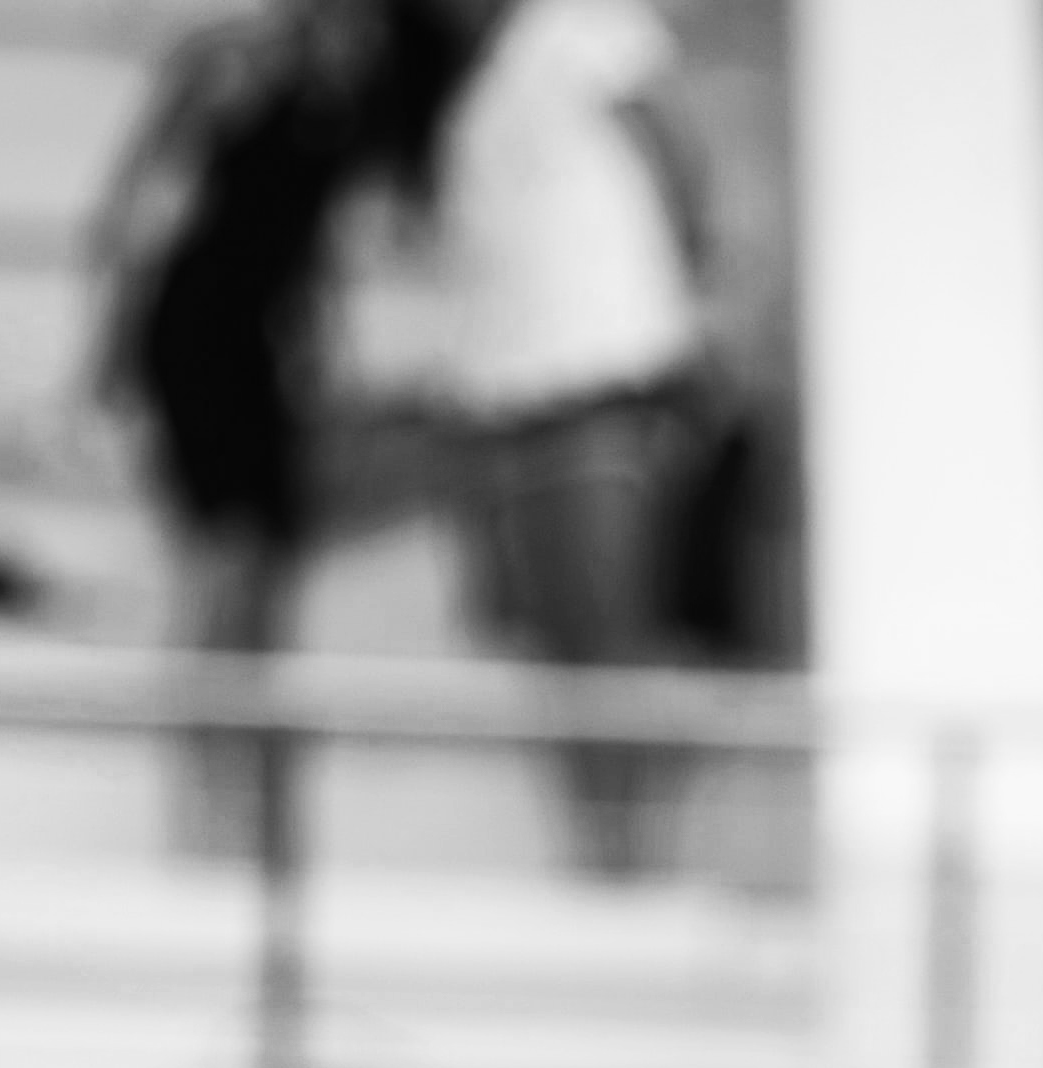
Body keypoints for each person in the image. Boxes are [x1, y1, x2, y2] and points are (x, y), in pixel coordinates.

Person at [374, 0, 716, 875]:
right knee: (558, 652)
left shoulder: (581, 26)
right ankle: (599, 854)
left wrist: (698, 297)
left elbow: (676, 145)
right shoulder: (461, 89)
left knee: (609, 637)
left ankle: (633, 859)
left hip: (606, 381)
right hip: (508, 400)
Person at [92, 0, 366, 859]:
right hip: (201, 333)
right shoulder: (223, 58)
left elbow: (316, 240)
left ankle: (251, 813)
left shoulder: (351, 72)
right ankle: (205, 811)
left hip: (264, 347)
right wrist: (107, 349)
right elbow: (131, 205)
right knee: (224, 564)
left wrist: (326, 349)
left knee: (264, 580)